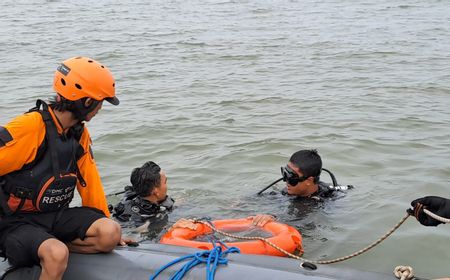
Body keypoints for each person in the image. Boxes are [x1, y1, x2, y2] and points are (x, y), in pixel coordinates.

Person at [0, 57, 129, 280]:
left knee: (109, 233)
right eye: (101, 102)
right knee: (56, 253)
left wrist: (105, 219)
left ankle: (45, 245)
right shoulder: (30, 127)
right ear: (86, 101)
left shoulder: (79, 134)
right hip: (13, 222)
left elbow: (90, 181)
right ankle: (48, 250)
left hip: (52, 216)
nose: (100, 109)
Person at [110, 161, 175, 237]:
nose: (167, 186)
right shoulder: (144, 219)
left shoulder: (131, 197)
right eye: (165, 182)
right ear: (155, 191)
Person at [280, 149, 348, 200]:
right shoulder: (286, 191)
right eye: (285, 172)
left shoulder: (320, 203)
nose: (285, 180)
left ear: (309, 181)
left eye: (291, 177)